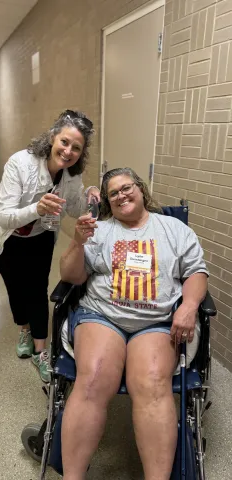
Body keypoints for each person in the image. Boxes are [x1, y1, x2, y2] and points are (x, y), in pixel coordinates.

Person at [59, 167, 208, 480]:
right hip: (102, 315)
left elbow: (196, 272)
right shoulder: (100, 230)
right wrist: (77, 242)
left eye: (126, 188)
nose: (121, 195)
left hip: (155, 321)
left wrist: (190, 306)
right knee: (94, 378)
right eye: (113, 193)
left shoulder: (173, 229)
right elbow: (71, 276)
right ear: (107, 203)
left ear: (141, 189)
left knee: (153, 383)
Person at [0, 109, 100, 382]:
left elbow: (74, 208)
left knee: (36, 287)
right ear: (53, 137)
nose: (68, 152)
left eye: (76, 148)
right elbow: (4, 216)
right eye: (65, 142)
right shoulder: (20, 163)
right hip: (0, 233)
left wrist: (89, 193)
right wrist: (37, 207)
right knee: (15, 282)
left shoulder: (71, 175)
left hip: (40, 233)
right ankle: (24, 329)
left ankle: (40, 351)